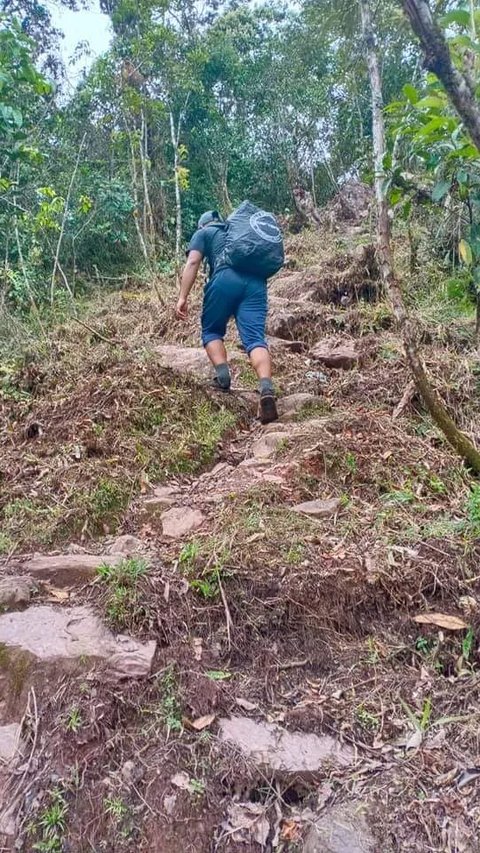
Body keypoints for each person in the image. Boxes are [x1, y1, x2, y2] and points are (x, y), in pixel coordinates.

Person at [175, 209, 278, 424]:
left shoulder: (204, 233)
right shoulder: (235, 231)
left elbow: (193, 262)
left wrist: (182, 297)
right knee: (255, 339)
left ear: (202, 225)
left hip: (225, 278)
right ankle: (266, 388)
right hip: (256, 284)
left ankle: (222, 377)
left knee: (212, 330)